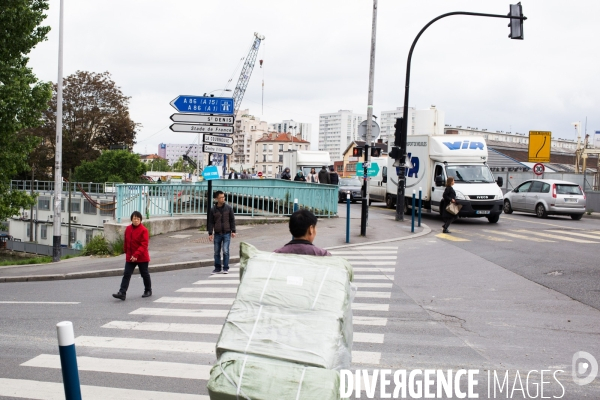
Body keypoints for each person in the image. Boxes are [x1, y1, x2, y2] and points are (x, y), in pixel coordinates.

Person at [112, 211, 152, 300]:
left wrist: (136, 255)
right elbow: (126, 242)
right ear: (131, 219)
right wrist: (126, 252)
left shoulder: (144, 230)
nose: (136, 220)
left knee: (144, 274)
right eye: (134, 218)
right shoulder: (128, 229)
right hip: (130, 257)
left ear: (140, 220)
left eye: (138, 219)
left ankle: (148, 290)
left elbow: (144, 245)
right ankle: (122, 292)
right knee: (126, 274)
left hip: (142, 257)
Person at [208, 190, 237, 274]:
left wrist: (233, 230)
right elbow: (210, 222)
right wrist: (210, 233)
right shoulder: (213, 210)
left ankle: (225, 267)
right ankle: (217, 268)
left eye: (223, 197)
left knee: (225, 250)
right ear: (217, 198)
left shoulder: (228, 208)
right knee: (216, 251)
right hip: (217, 233)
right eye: (221, 197)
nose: (223, 199)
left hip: (227, 232)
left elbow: (232, 220)